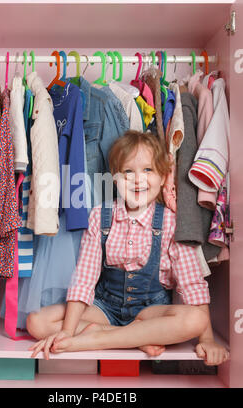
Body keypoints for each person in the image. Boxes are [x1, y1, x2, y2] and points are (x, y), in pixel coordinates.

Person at [26, 130, 229, 366]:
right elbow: (84, 278)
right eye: (128, 172)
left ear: (164, 177)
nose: (137, 179)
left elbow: (191, 283)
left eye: (148, 170)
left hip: (150, 311)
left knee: (196, 320)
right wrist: (68, 332)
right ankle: (134, 337)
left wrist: (207, 339)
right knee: (37, 322)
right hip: (105, 308)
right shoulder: (100, 215)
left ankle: (97, 339)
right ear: (115, 178)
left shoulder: (170, 222)